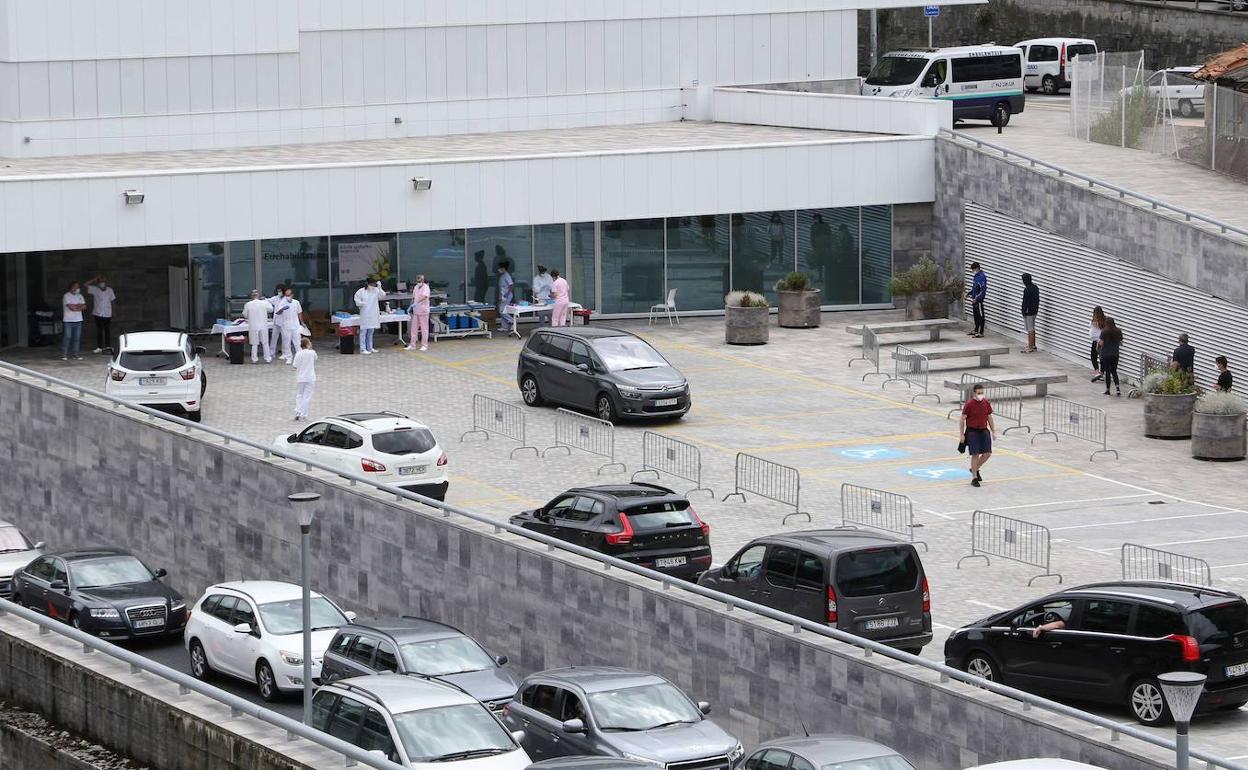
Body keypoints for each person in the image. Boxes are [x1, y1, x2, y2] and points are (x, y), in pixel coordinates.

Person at [959, 383, 995, 488]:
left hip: (984, 430)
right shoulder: (969, 404)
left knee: (987, 453)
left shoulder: (986, 403)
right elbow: (962, 419)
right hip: (973, 432)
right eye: (979, 393)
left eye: (982, 393)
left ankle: (974, 469)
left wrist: (993, 431)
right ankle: (974, 477)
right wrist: (961, 434)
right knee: (975, 454)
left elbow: (989, 417)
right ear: (974, 393)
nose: (981, 395)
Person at [84, 275, 116, 353]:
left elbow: (112, 301)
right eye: (100, 282)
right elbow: (85, 284)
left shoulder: (110, 290)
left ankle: (108, 346)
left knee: (107, 330)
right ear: (98, 283)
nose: (102, 283)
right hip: (97, 312)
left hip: (107, 313)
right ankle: (99, 347)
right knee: (99, 330)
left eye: (103, 281)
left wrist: (114, 311)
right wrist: (95, 279)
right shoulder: (95, 289)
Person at [242, 290, 274, 363]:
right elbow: (271, 310)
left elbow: (245, 315)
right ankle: (267, 358)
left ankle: (254, 359)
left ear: (251, 296)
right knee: (265, 342)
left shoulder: (248, 304)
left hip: (253, 325)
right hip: (263, 325)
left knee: (254, 343)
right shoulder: (264, 303)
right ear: (259, 296)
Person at [274, 287, 304, 363]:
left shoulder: (296, 302)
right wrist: (282, 309)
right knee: (287, 342)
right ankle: (289, 357)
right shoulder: (283, 302)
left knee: (297, 343)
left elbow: (299, 312)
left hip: (295, 325)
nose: (287, 296)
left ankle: (299, 357)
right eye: (286, 295)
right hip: (286, 326)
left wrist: (302, 322)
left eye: (289, 295)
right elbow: (278, 313)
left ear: (292, 295)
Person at [353, 277, 383, 355]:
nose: (373, 285)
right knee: (363, 331)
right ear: (368, 284)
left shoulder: (376, 290)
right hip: (365, 313)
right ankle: (362, 349)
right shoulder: (361, 291)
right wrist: (362, 303)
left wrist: (379, 287)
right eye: (372, 284)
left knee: (371, 331)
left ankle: (370, 347)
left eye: (374, 284)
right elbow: (356, 300)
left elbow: (382, 296)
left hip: (373, 313)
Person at [292, 337, 317, 421]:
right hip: (310, 377)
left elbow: (295, 366)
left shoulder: (298, 353)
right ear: (307, 344)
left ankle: (298, 411)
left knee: (299, 395)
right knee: (307, 396)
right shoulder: (312, 353)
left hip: (300, 377)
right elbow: (315, 358)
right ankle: (303, 414)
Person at [60, 281, 87, 361]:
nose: (78, 288)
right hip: (68, 320)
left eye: (78, 287)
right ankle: (64, 354)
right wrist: (79, 306)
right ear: (71, 287)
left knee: (77, 338)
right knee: (67, 337)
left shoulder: (80, 296)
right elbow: (71, 307)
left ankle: (76, 354)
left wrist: (76, 307)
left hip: (78, 320)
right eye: (76, 286)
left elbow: (84, 306)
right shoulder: (66, 296)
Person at [1099, 317, 1123, 397]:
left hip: (1106, 354)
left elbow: (1101, 343)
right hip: (1115, 354)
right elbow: (1121, 343)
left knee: (1108, 372)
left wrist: (1100, 343)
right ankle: (1118, 389)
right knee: (1114, 371)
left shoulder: (1104, 332)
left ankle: (1108, 390)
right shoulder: (1118, 331)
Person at [406, 275, 431, 352]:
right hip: (416, 310)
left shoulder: (426, 287)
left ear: (423, 280)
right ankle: (412, 345)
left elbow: (425, 297)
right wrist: (410, 306)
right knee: (413, 329)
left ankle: (424, 345)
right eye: (417, 281)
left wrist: (417, 302)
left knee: (424, 329)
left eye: (420, 281)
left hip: (423, 311)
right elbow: (413, 298)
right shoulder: (416, 287)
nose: (418, 282)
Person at [967, 262, 987, 338]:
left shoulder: (982, 277)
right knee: (975, 315)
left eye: (973, 269)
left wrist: (977, 298)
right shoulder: (976, 276)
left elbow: (982, 290)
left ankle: (981, 332)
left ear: (977, 268)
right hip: (974, 299)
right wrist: (968, 294)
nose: (973, 271)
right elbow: (974, 288)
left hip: (978, 300)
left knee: (981, 316)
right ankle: (976, 329)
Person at [1020, 273, 1039, 353]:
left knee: (1030, 329)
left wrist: (1024, 311)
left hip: (1029, 312)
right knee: (1032, 328)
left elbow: (1026, 302)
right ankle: (1033, 345)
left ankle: (1030, 347)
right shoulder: (1035, 287)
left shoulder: (1027, 289)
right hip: (1034, 311)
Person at [1089, 306, 1106, 382]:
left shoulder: (1094, 321)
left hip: (1096, 340)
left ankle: (1097, 372)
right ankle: (1102, 373)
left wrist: (1097, 340)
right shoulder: (1105, 320)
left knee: (1093, 356)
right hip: (1103, 341)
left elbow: (1092, 333)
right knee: (1102, 358)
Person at [497, 261, 514, 333]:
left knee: (502, 311)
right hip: (503, 295)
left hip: (507, 295)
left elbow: (511, 285)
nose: (499, 270)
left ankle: (512, 321)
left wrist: (507, 294)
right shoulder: (503, 275)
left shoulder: (507, 275)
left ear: (503, 268)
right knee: (503, 310)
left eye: (500, 268)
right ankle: (504, 327)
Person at [268, 283, 286, 353]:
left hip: (284, 321)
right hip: (276, 321)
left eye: (280, 291)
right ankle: (272, 352)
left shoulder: (286, 299)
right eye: (278, 291)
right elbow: (268, 300)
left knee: (285, 337)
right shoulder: (275, 298)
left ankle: (284, 352)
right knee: (274, 337)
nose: (279, 293)